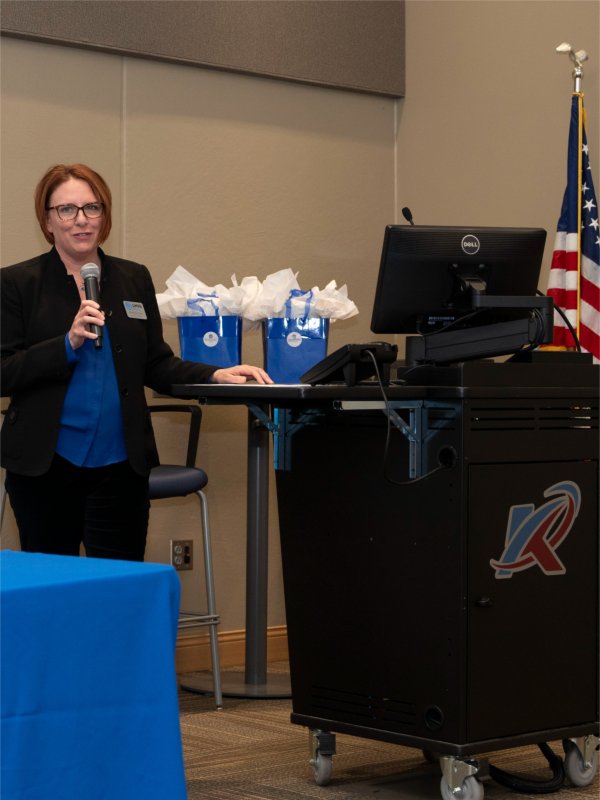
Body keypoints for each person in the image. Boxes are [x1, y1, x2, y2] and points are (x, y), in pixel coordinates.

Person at [1, 163, 272, 562]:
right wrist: (67, 342)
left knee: (119, 590)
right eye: (67, 210)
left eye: (92, 208)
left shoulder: (132, 278)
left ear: (104, 215)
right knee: (55, 595)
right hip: (46, 468)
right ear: (47, 219)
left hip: (120, 467)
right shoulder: (17, 283)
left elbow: (157, 364)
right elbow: (4, 371)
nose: (81, 220)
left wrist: (215, 373)